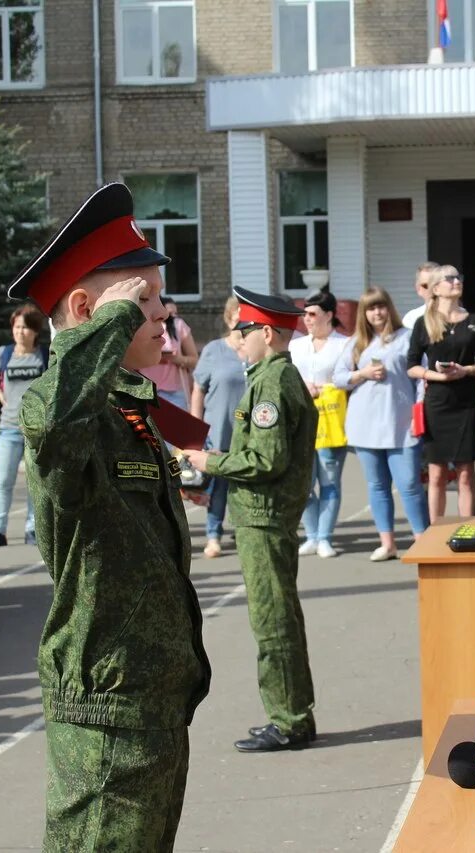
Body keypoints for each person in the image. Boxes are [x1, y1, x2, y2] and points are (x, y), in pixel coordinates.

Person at [8, 182, 211, 852]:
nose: (161, 313)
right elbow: (50, 415)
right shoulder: (73, 411)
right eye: (141, 300)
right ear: (85, 310)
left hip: (146, 701)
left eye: (158, 299)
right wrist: (110, 325)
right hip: (106, 716)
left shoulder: (127, 407)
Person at [183, 289, 317, 753]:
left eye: (243, 330)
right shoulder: (267, 376)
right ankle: (294, 713)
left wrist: (210, 463)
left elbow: (266, 459)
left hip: (264, 514)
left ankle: (290, 720)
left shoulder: (273, 382)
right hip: (263, 513)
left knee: (272, 620)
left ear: (266, 332)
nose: (237, 338)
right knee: (278, 616)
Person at [333, 286, 428, 562]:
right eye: (371, 308)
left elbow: (421, 378)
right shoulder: (357, 342)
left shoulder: (407, 338)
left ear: (389, 308)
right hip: (365, 423)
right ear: (364, 313)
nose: (377, 312)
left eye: (381, 306)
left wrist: (418, 412)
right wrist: (361, 373)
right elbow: (338, 377)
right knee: (377, 486)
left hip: (400, 422)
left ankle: (420, 538)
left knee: (409, 483)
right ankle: (387, 543)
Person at [406, 265, 475, 520]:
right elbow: (411, 366)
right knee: (437, 472)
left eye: (457, 276)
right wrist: (435, 375)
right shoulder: (424, 322)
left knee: (465, 471)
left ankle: (467, 527)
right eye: (448, 278)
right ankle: (435, 531)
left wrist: (466, 370)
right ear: (436, 288)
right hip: (437, 403)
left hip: (465, 403)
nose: (456, 281)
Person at [0, 304, 49, 548]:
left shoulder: (45, 355)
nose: (20, 332)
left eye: (26, 328)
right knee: (4, 481)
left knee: (34, 482)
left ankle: (32, 529)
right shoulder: (3, 354)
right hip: (9, 428)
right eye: (17, 327)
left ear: (35, 331)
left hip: (37, 430)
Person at [290, 286, 352, 558]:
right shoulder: (296, 345)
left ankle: (325, 536)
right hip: (301, 423)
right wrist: (303, 385)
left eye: (313, 314)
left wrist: (325, 387)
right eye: (305, 314)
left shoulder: (345, 344)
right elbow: (289, 376)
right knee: (303, 483)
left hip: (331, 422)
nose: (308, 319)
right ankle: (312, 534)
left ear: (329, 315)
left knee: (329, 482)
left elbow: (348, 379)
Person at [191, 296, 248, 559]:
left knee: (245, 486)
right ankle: (213, 535)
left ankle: (242, 531)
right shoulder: (214, 349)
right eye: (237, 314)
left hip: (249, 434)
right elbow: (198, 390)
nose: (242, 319)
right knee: (216, 488)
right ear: (229, 318)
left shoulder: (255, 350)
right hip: (218, 430)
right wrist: (195, 426)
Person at [139, 296, 198, 408]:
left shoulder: (179, 325)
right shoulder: (143, 324)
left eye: (176, 313)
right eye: (170, 313)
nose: (172, 316)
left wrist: (177, 359)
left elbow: (194, 360)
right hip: (146, 390)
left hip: (175, 393)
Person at [402, 262, 440, 329]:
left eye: (437, 284)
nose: (433, 289)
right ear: (418, 289)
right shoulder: (411, 319)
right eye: (427, 285)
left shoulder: (460, 316)